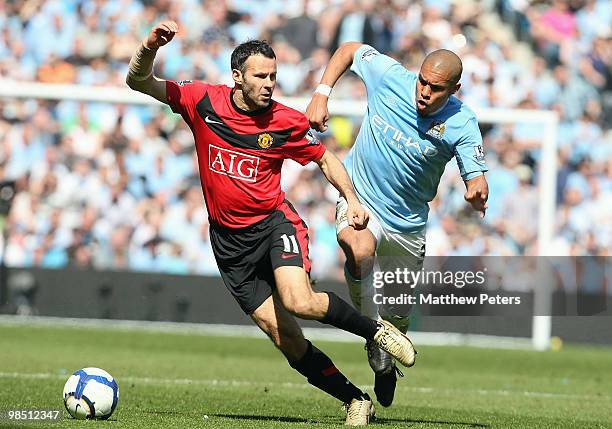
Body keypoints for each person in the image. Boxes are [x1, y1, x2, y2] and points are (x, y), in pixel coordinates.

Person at [126, 22, 417, 426]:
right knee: (287, 339)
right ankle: (355, 399)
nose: (269, 84)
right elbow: (138, 80)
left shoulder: (285, 121)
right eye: (260, 76)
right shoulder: (201, 101)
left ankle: (376, 332)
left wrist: (351, 198)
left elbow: (324, 158)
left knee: (299, 301)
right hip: (229, 245)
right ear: (237, 77)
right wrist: (149, 46)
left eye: (274, 76)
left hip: (274, 225)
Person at [306, 42, 489, 408]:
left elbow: (476, 174)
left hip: (407, 224)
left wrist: (477, 190)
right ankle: (373, 333)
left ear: (454, 90)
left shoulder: (462, 122)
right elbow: (350, 49)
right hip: (360, 197)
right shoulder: (390, 76)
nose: (424, 91)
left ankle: (384, 357)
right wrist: (322, 93)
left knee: (399, 316)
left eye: (436, 88)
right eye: (423, 81)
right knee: (358, 248)